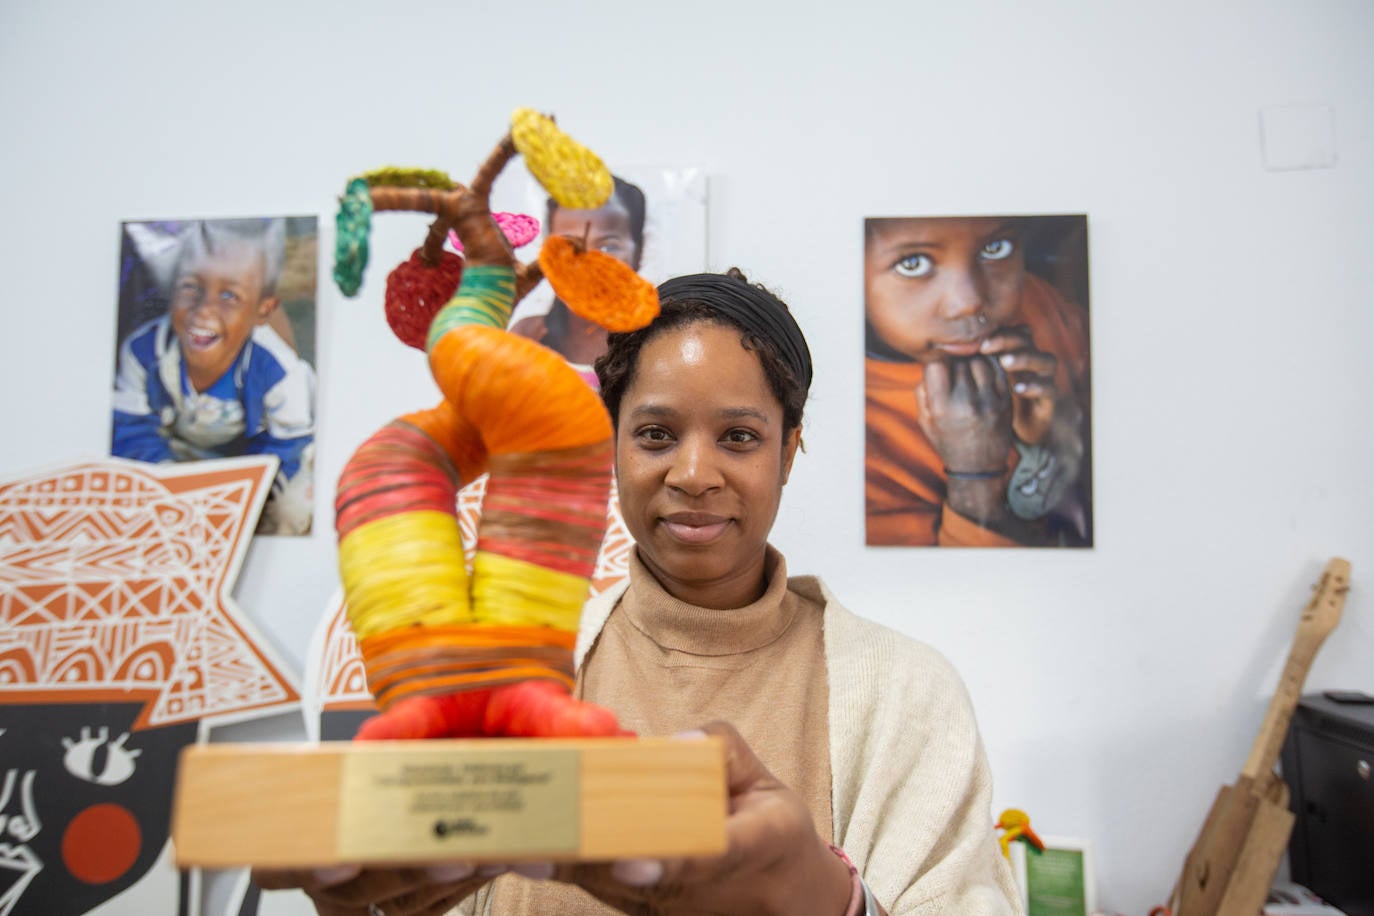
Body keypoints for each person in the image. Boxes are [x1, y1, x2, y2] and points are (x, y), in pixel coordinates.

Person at [256, 270, 1019, 915]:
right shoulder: (515, 670)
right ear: (612, 441)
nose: (692, 475)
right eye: (655, 434)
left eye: (740, 437)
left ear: (790, 449)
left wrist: (828, 900)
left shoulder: (908, 693)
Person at [864, 216, 1090, 547]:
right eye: (912, 263)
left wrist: (1062, 430)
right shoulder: (856, 432)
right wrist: (974, 479)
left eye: (995, 248)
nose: (968, 303)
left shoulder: (1038, 305)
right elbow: (944, 589)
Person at [111, 218, 316, 534]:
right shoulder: (143, 351)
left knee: (296, 507)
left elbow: (286, 445)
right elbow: (131, 430)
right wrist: (171, 484)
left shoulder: (280, 371)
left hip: (253, 466)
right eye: (190, 287)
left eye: (229, 296)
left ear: (263, 310)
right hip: (179, 457)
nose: (203, 310)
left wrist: (233, 497)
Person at [509, 175, 646, 386]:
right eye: (569, 247)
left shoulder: (654, 342)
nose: (587, 262)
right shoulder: (526, 336)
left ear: (639, 251)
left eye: (607, 247)